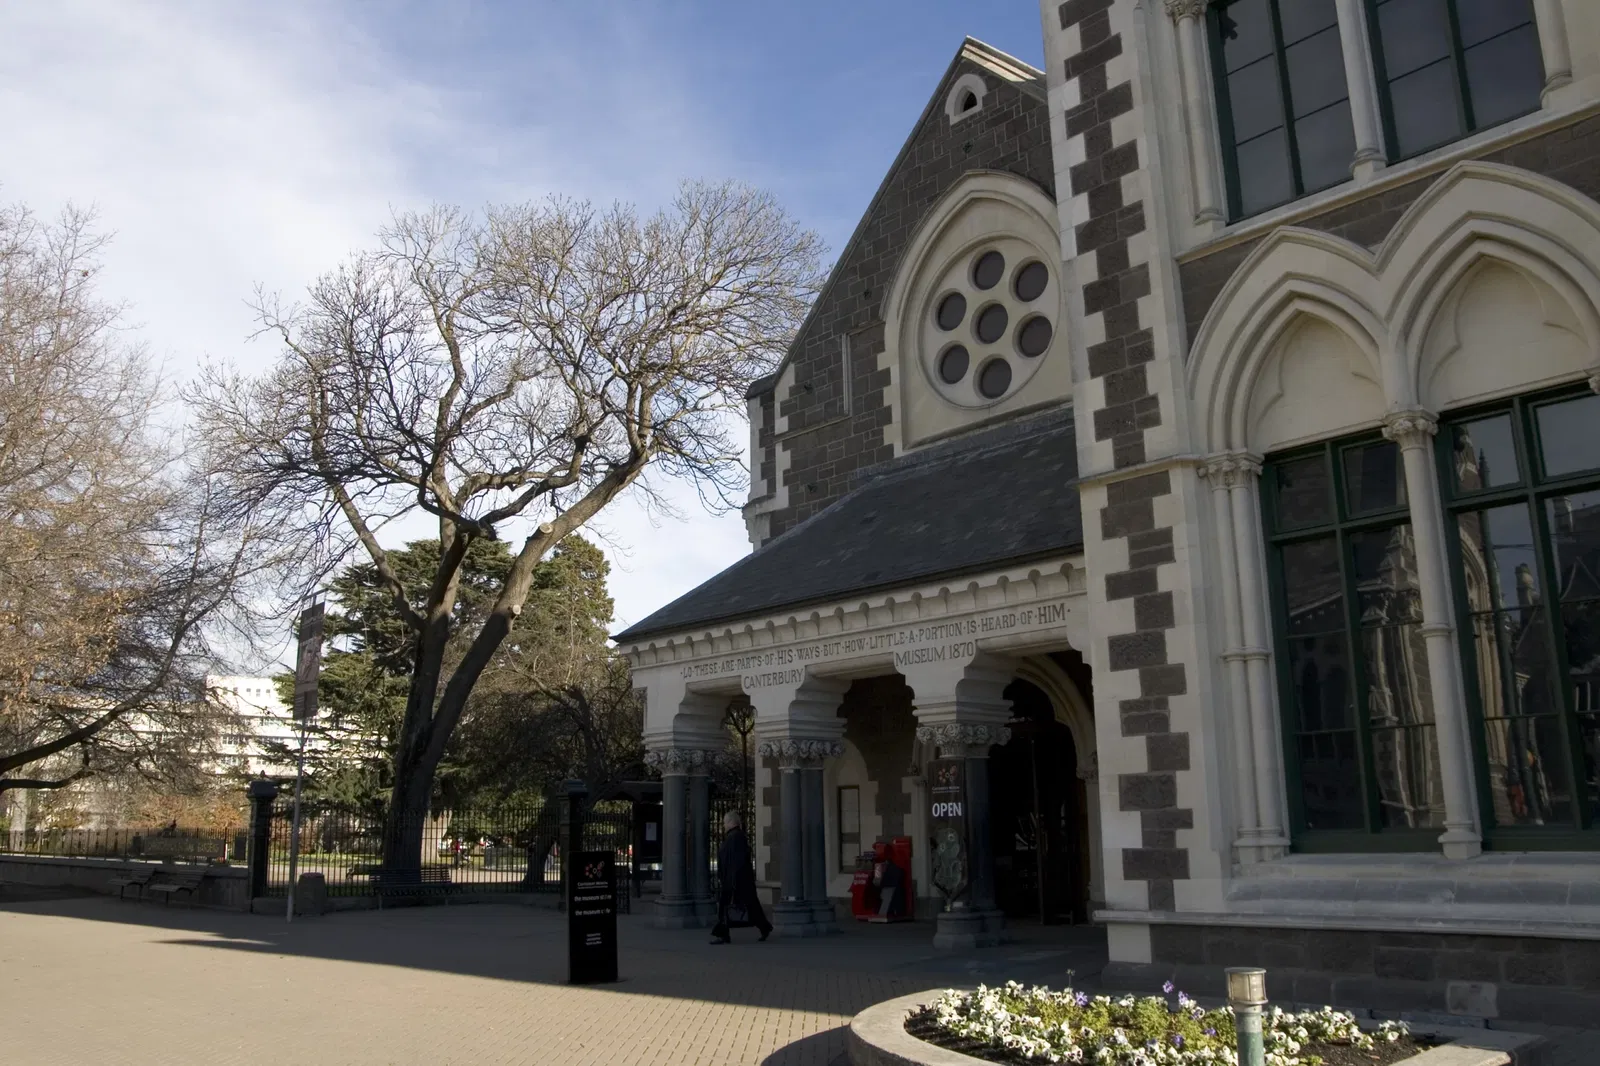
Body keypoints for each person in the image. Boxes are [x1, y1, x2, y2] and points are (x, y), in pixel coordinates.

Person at [711, 809, 771, 944]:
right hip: (738, 880)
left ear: (731, 822)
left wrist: (732, 881)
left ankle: (724, 934)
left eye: (725, 822)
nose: (724, 825)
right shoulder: (736, 837)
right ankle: (763, 927)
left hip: (734, 881)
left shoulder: (735, 837)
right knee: (751, 905)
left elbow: (736, 861)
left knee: (728, 907)